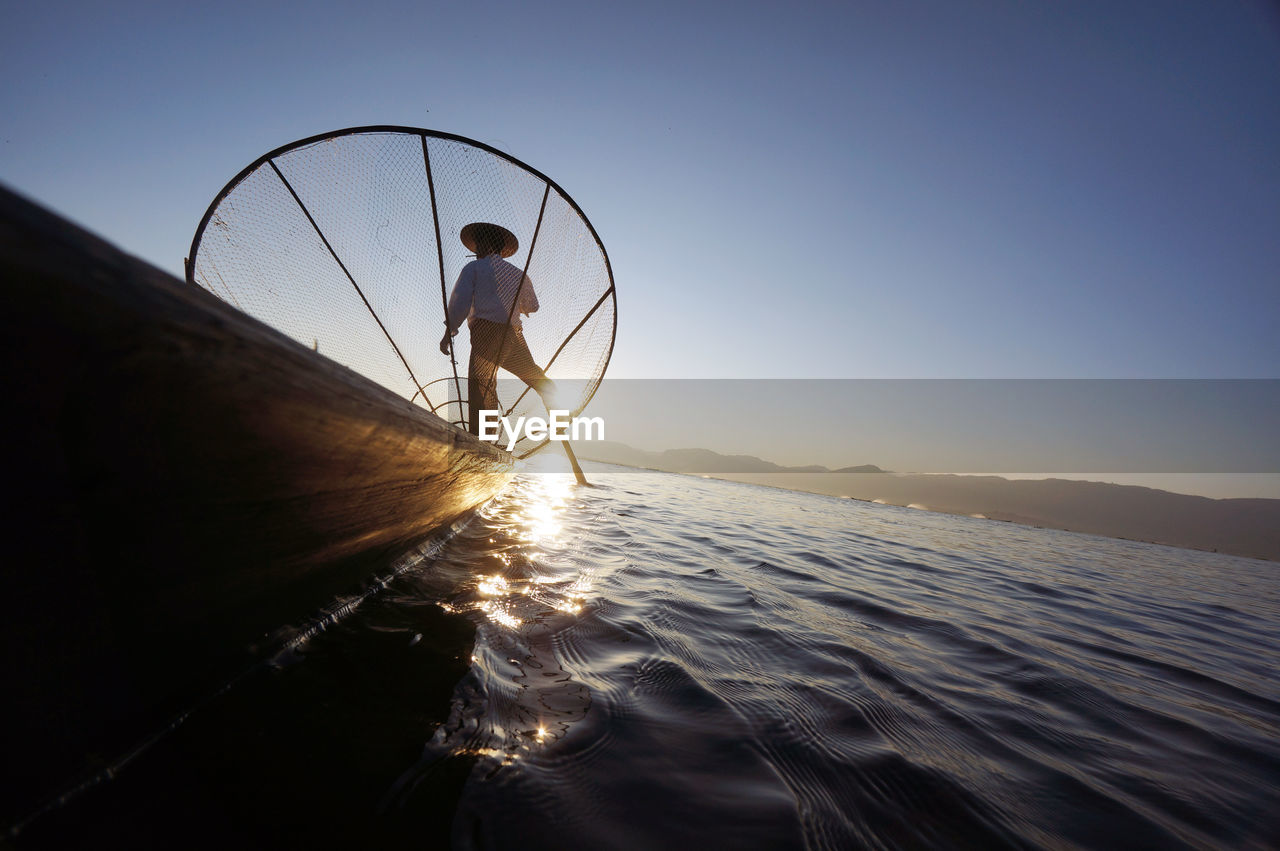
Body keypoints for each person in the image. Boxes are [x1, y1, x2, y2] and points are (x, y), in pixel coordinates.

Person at [439, 222, 555, 435]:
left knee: (481, 385)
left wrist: (449, 332)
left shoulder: (474, 268)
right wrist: (512, 298)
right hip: (512, 336)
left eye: (478, 247)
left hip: (485, 332)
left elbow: (460, 302)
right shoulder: (519, 274)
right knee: (530, 373)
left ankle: (480, 439)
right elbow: (533, 306)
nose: (475, 252)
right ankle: (555, 399)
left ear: (484, 245)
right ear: (502, 250)